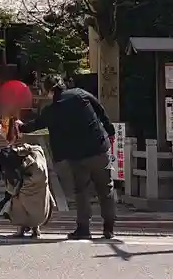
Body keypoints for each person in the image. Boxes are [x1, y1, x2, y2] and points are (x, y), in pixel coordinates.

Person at [14, 74, 117, 240]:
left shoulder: (52, 110)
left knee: (81, 190)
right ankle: (109, 229)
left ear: (48, 91)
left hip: (77, 156)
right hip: (99, 149)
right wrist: (110, 130)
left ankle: (84, 229)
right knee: (106, 189)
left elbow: (36, 124)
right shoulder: (81, 94)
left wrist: (22, 126)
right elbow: (100, 109)